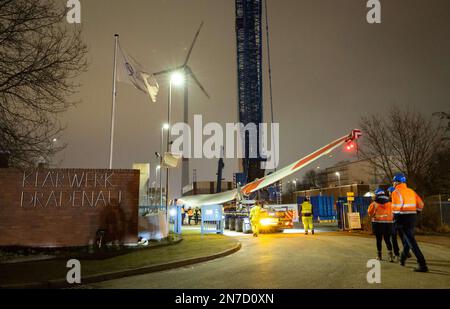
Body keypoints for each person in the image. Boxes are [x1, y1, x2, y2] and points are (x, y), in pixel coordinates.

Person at [391, 173, 428, 272]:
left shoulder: (396, 192)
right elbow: (421, 204)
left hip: (402, 218)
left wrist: (395, 220)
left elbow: (396, 209)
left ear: (397, 182)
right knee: (409, 239)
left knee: (411, 241)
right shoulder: (411, 191)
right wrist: (415, 213)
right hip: (412, 217)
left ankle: (422, 264)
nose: (393, 183)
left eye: (394, 181)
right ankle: (403, 259)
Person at [368, 189, 395, 262]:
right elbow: (394, 212)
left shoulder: (374, 203)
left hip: (378, 223)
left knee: (378, 240)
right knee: (387, 240)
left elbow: (370, 213)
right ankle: (391, 256)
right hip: (388, 223)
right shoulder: (390, 203)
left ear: (377, 194)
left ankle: (379, 256)